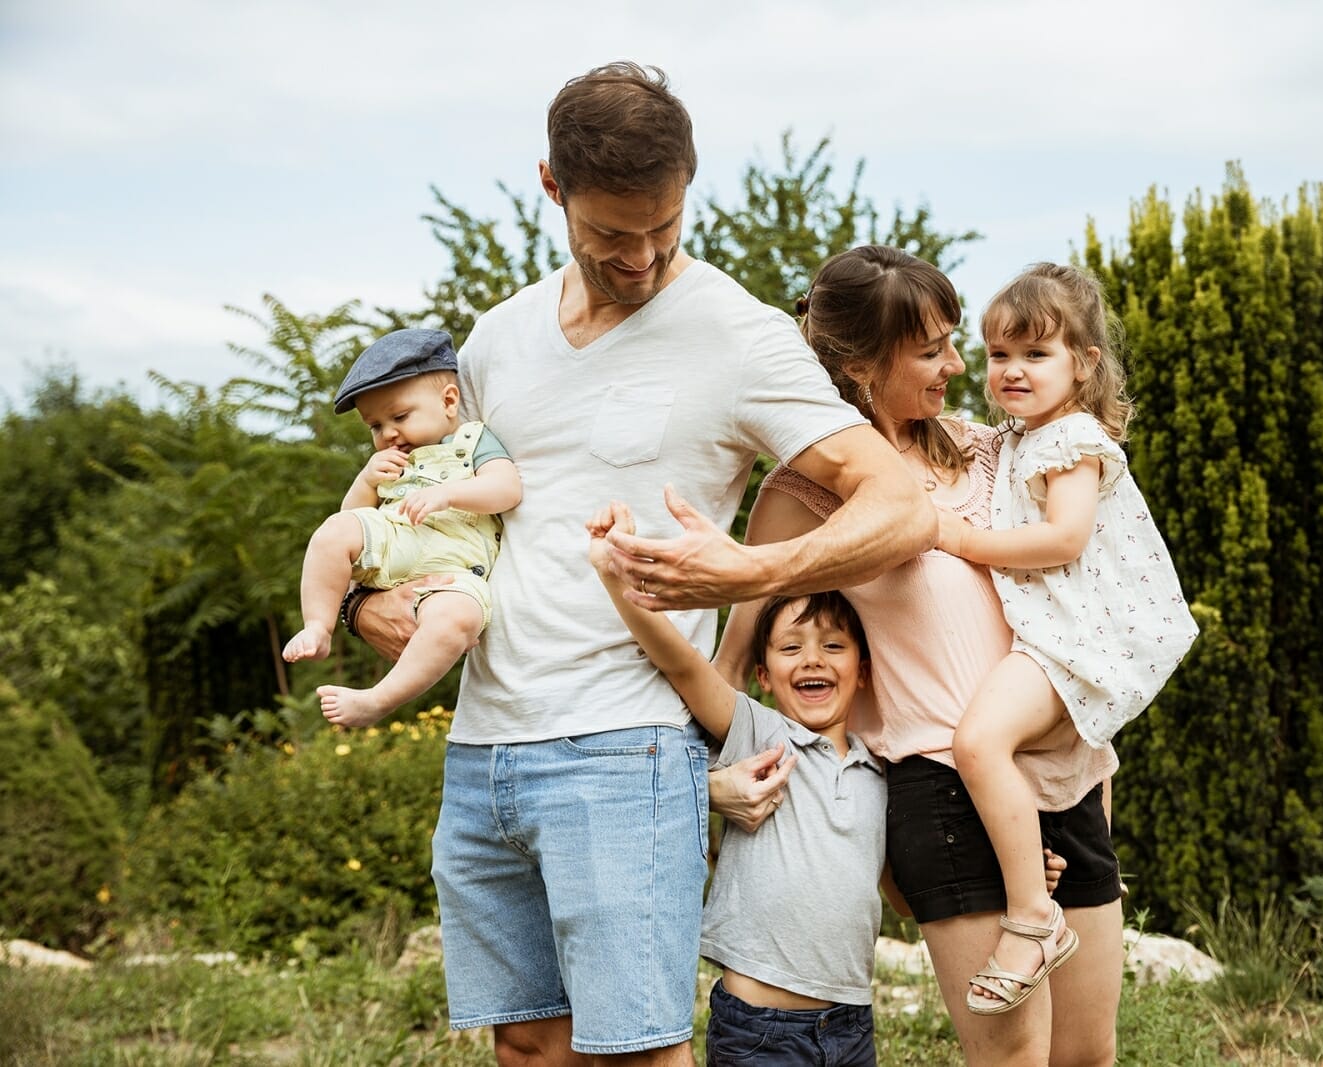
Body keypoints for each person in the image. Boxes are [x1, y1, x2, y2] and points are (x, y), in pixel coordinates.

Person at [348, 66, 933, 1067]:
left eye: (664, 225)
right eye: (612, 234)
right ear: (552, 186)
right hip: (486, 743)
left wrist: (744, 572)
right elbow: (448, 515)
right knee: (529, 1043)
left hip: (624, 746)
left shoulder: (739, 335)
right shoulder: (497, 339)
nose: (643, 254)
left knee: (637, 1049)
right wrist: (370, 599)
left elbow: (902, 503)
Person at [714, 245, 1124, 1066]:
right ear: (862, 365)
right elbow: (733, 668)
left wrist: (1094, 766)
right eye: (932, 348)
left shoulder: (991, 449)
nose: (958, 364)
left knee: (1089, 1055)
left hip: (1061, 767)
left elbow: (1072, 593)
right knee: (1014, 1061)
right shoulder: (801, 498)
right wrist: (712, 784)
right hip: (942, 790)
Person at [940, 263, 1198, 1015]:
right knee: (1039, 763)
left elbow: (1063, 537)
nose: (1011, 371)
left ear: (1085, 364)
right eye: (998, 355)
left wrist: (959, 538)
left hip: (1069, 644)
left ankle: (1033, 918)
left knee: (980, 742)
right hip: (1055, 641)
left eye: (1036, 353)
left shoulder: (1073, 438)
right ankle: (1060, 883)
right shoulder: (1027, 437)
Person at [588, 500, 883, 1067]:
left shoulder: (880, 771)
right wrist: (614, 576)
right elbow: (681, 666)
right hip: (760, 1030)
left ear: (863, 670)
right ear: (765, 677)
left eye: (833, 646)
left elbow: (906, 890)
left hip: (851, 1025)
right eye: (791, 648)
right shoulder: (759, 730)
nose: (812, 660)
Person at [282, 328, 521, 727]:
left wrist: (449, 495)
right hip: (396, 542)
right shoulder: (391, 460)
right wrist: (366, 481)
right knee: (332, 532)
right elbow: (350, 520)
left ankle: (379, 700)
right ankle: (318, 627)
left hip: (454, 567)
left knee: (456, 619)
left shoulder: (472, 440)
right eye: (375, 426)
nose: (388, 434)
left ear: (448, 401)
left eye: (399, 417)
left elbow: (507, 488)